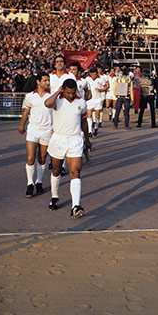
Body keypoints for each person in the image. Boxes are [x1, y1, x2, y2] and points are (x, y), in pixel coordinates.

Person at [44, 78, 91, 218]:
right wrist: (58, 91)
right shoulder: (57, 101)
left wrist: (87, 140)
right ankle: (54, 196)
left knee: (75, 172)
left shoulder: (81, 103)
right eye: (68, 92)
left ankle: (75, 206)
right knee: (57, 170)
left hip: (75, 140)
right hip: (59, 139)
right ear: (63, 90)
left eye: (72, 92)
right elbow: (47, 103)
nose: (70, 95)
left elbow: (83, 122)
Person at [18, 72, 52, 197]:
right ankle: (30, 184)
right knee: (30, 157)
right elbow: (26, 112)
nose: (47, 83)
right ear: (38, 82)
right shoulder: (30, 96)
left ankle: (39, 182)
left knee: (42, 158)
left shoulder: (52, 96)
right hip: (33, 129)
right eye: (45, 80)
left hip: (47, 130)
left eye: (48, 80)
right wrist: (22, 126)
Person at [85, 67, 106, 136]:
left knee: (97, 116)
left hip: (98, 99)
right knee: (89, 115)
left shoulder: (101, 79)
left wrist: (100, 90)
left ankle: (96, 127)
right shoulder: (87, 79)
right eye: (92, 74)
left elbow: (105, 87)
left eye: (95, 74)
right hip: (89, 100)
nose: (94, 76)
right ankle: (90, 131)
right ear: (90, 74)